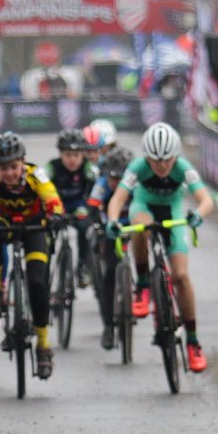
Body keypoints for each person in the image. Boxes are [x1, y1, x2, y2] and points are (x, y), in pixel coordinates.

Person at [105, 122, 214, 372]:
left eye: (167, 160)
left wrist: (198, 214)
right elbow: (118, 198)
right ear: (147, 157)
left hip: (173, 210)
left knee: (181, 275)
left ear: (175, 155)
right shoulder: (137, 167)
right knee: (140, 226)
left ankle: (194, 341)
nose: (163, 166)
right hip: (144, 207)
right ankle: (143, 285)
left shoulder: (183, 167)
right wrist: (112, 221)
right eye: (156, 161)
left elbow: (205, 199)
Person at [0, 131, 65, 379]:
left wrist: (56, 214)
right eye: (3, 168)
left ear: (22, 162)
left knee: (38, 283)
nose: (8, 173)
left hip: (34, 227)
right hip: (7, 222)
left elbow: (51, 197)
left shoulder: (35, 175)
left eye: (13, 167)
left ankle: (43, 345)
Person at [86, 147, 133, 350]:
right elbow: (92, 206)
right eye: (112, 178)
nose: (116, 183)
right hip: (110, 230)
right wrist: (99, 226)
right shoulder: (102, 185)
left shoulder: (135, 186)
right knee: (110, 276)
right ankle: (108, 327)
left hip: (132, 226)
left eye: (121, 179)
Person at [46, 128, 97, 288]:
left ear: (83, 154)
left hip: (78, 206)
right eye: (67, 155)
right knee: (46, 233)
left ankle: (82, 266)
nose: (72, 160)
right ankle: (45, 267)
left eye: (76, 155)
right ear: (60, 154)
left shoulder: (89, 169)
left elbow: (96, 193)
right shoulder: (52, 168)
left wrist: (88, 209)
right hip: (56, 206)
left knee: (84, 228)